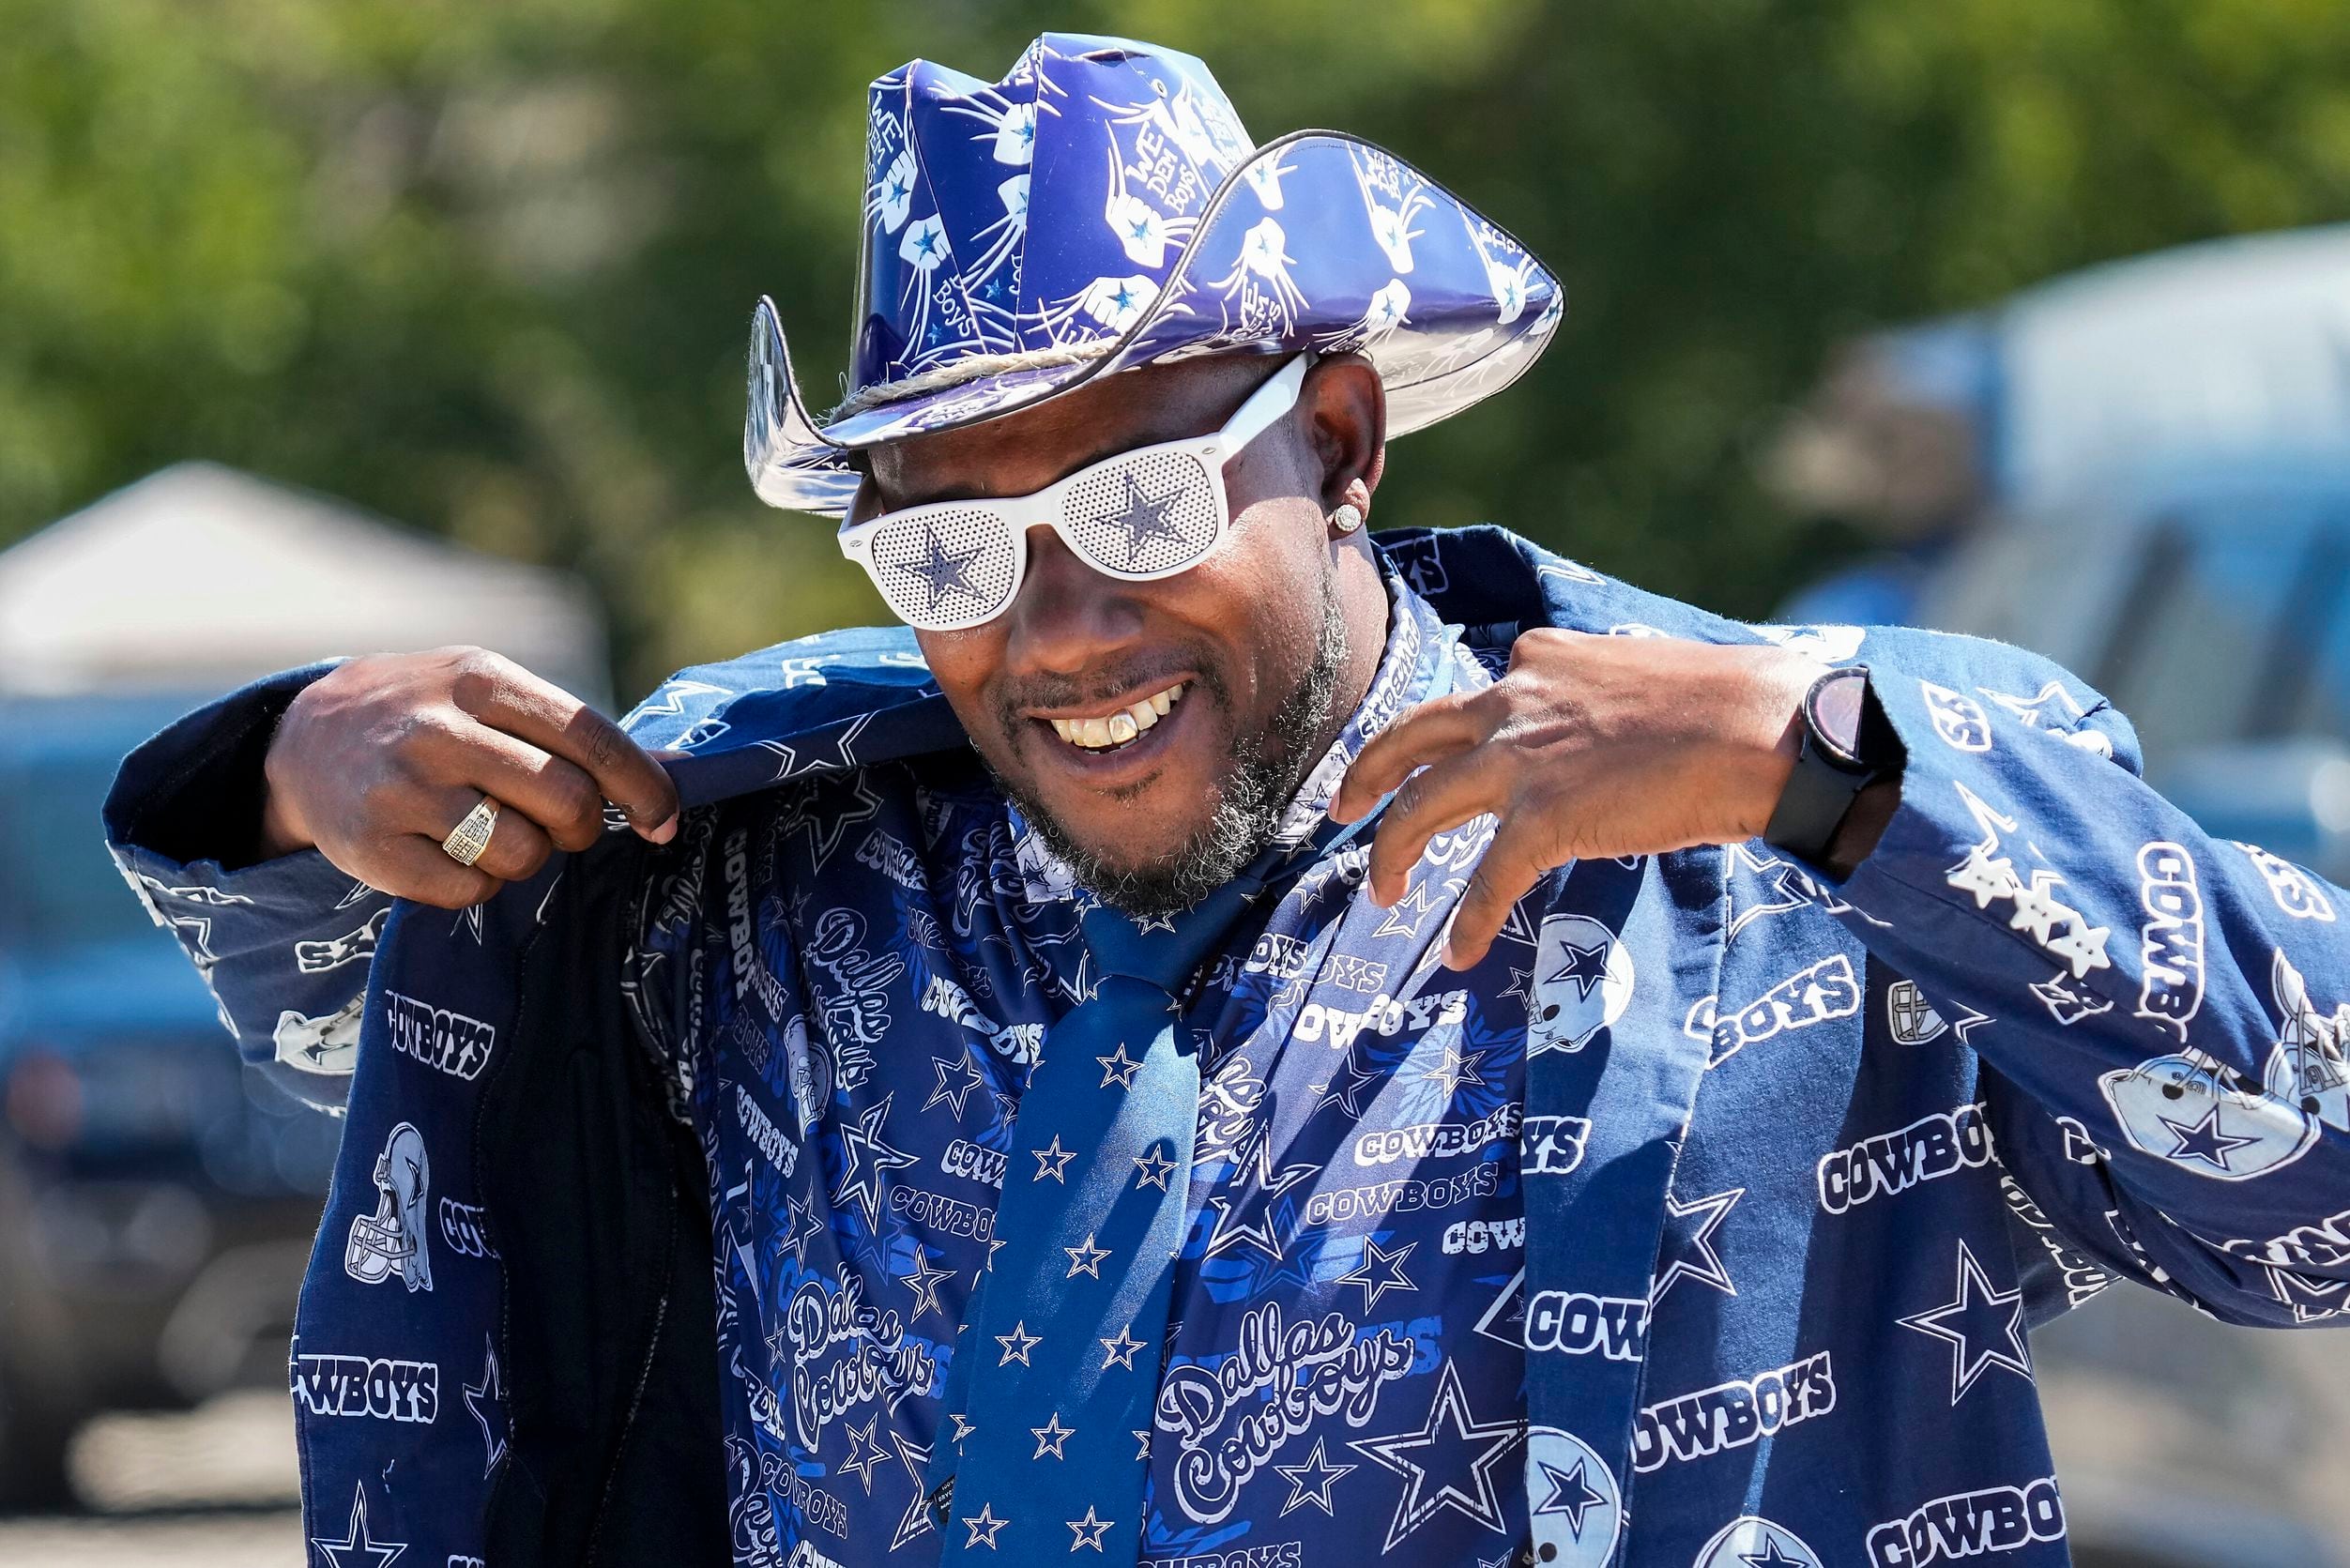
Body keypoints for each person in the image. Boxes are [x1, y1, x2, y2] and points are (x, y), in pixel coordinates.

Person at [104, 33, 2350, 1568]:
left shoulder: (1782, 853)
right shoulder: (766, 882)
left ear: (1347, 440)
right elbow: (392, 1057)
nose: (1062, 621)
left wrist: (1837, 784)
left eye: (1153, 489)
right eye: (949, 549)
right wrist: (293, 764)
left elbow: (2315, 1192)